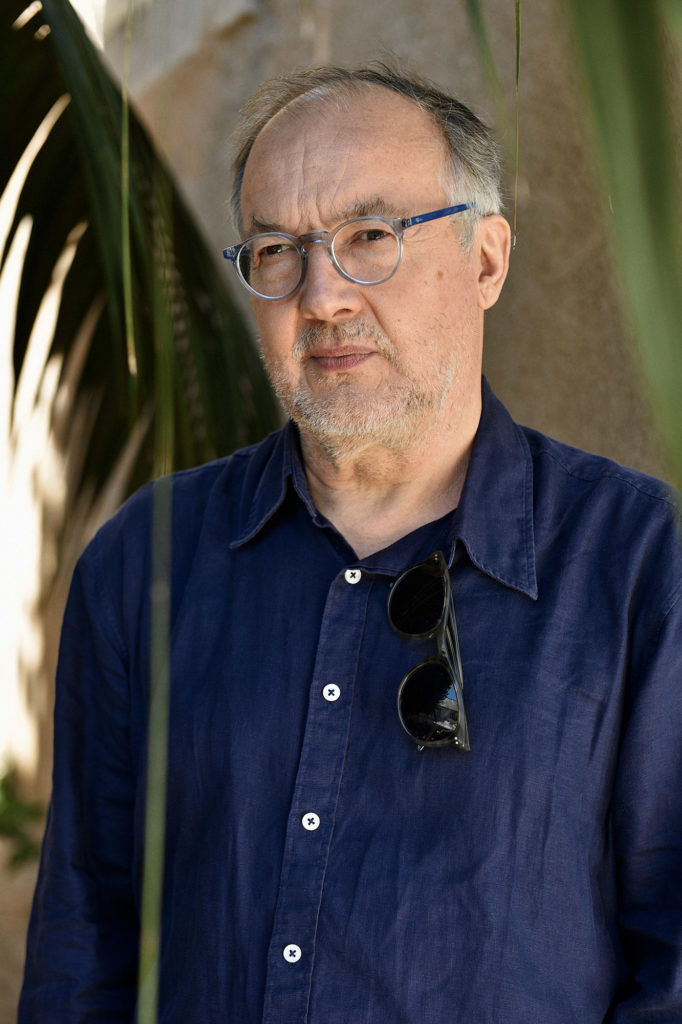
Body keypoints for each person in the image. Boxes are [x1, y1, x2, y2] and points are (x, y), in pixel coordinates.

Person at [19, 62, 682, 1023]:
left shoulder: (639, 566)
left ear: (487, 260)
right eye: (277, 250)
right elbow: (81, 960)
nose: (322, 295)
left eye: (371, 236)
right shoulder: (142, 566)